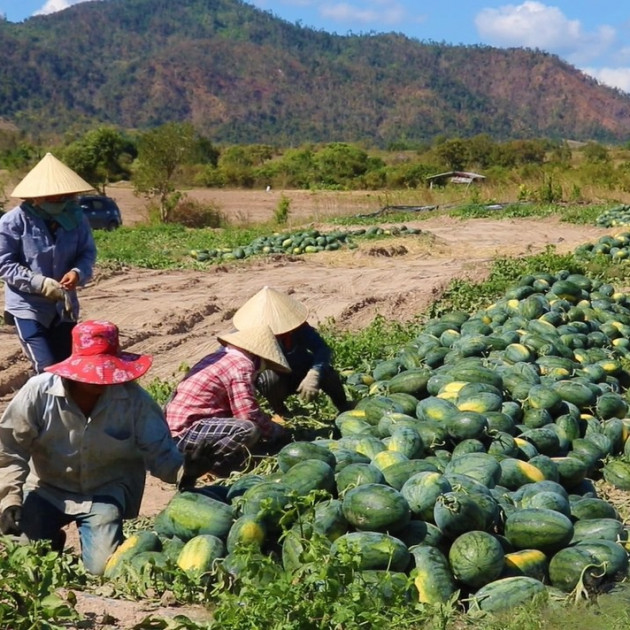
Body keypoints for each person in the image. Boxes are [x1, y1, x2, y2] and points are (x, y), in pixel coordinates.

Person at [0, 320, 212, 575]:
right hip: (47, 488)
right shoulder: (38, 392)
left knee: (102, 569)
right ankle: (50, 538)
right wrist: (9, 499)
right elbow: (9, 448)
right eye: (93, 372)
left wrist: (185, 470)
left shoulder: (134, 400)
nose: (101, 381)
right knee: (22, 558)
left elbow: (160, 451)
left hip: (103, 491)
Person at [0, 152, 97, 374]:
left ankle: (59, 408)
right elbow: (4, 264)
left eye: (65, 196)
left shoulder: (76, 218)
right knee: (45, 367)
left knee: (66, 367)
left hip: (63, 307)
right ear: (37, 197)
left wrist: (77, 272)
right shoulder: (13, 221)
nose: (61, 201)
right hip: (27, 306)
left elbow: (87, 253)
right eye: (55, 196)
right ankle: (41, 406)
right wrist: (40, 283)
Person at [165, 325, 291, 475]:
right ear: (255, 354)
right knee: (248, 429)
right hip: (186, 433)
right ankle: (208, 465)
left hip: (172, 432)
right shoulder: (242, 366)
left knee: (248, 432)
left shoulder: (217, 357)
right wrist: (276, 431)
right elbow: (248, 415)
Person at [232, 286, 354, 415]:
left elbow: (322, 349)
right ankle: (281, 411)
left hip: (300, 371)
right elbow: (229, 360)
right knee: (269, 379)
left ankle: (343, 406)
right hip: (278, 380)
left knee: (328, 373)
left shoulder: (298, 328)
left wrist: (314, 373)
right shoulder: (245, 334)